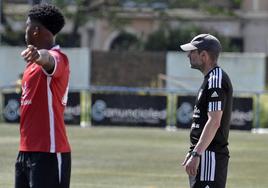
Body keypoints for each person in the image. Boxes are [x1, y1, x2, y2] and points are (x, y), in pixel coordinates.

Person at [15, 4, 71, 188]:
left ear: (36, 30)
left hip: (49, 152)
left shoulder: (58, 58)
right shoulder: (30, 67)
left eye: (27, 26)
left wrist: (38, 55)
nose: (25, 31)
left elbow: (48, 59)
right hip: (25, 152)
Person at [180, 34, 233, 188]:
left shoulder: (216, 80)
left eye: (192, 52)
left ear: (204, 56)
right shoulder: (209, 79)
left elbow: (214, 121)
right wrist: (194, 151)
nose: (188, 55)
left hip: (210, 156)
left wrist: (197, 153)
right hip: (204, 155)